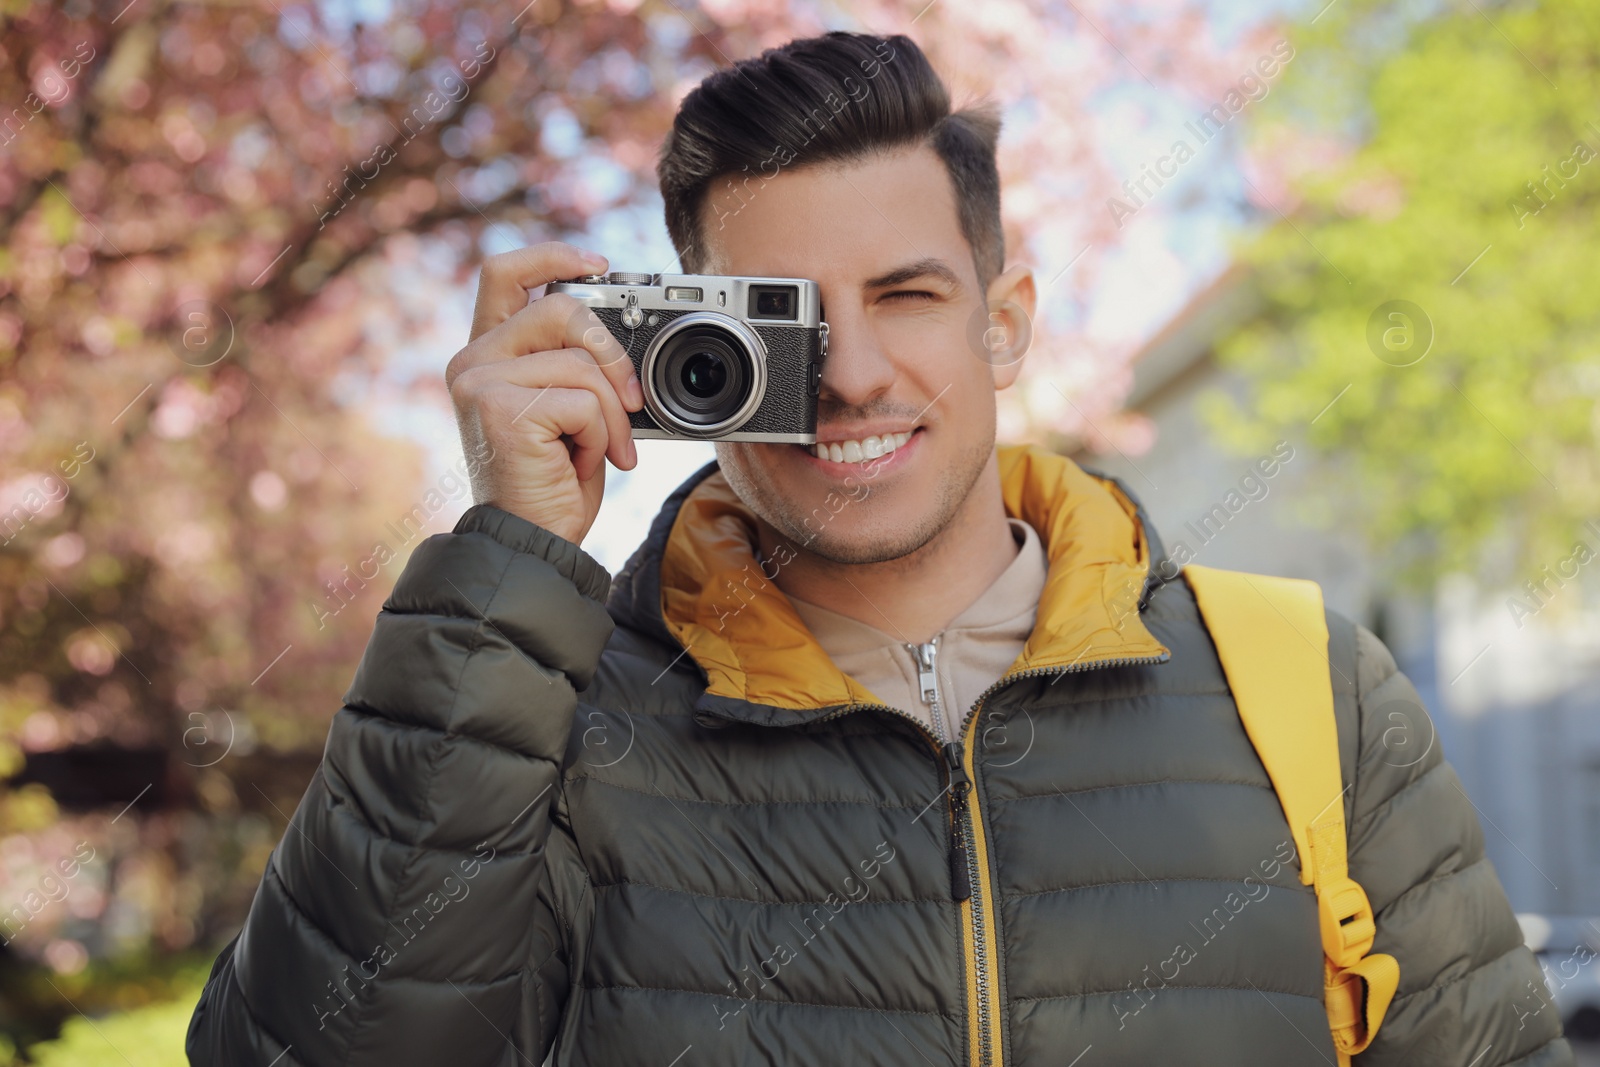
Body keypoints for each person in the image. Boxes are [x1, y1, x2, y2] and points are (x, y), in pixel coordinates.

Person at [187, 31, 1572, 1067]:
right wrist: (503, 564)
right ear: (682, 350)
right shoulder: (550, 715)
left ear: (1007, 318)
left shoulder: (1304, 688)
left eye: (906, 295)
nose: (848, 375)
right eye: (781, 322)